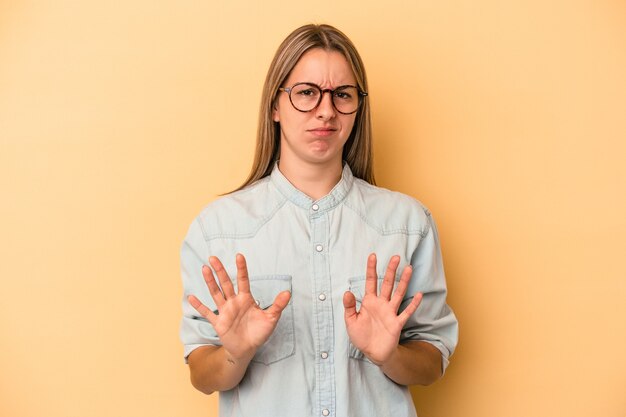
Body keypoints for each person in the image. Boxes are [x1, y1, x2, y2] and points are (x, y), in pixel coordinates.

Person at [180, 24, 458, 417]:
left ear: (358, 107)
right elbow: (201, 374)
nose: (326, 111)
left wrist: (390, 355)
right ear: (275, 106)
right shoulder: (217, 230)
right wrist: (235, 354)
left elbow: (432, 361)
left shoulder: (408, 223)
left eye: (342, 95)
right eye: (307, 93)